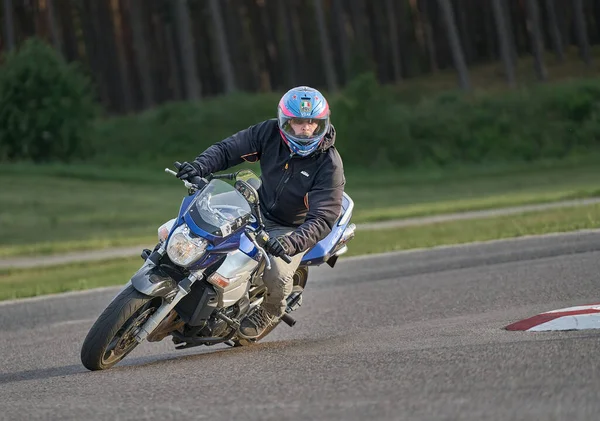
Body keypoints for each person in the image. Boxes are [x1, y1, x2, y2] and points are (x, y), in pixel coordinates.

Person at [175, 86, 345, 338]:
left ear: (323, 123)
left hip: (291, 228)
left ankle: (271, 310)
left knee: (277, 272)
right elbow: (227, 149)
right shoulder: (268, 132)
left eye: (313, 123)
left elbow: (323, 217)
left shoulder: (329, 165)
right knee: (198, 217)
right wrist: (199, 166)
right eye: (298, 122)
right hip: (255, 204)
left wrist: (290, 243)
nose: (306, 129)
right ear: (284, 122)